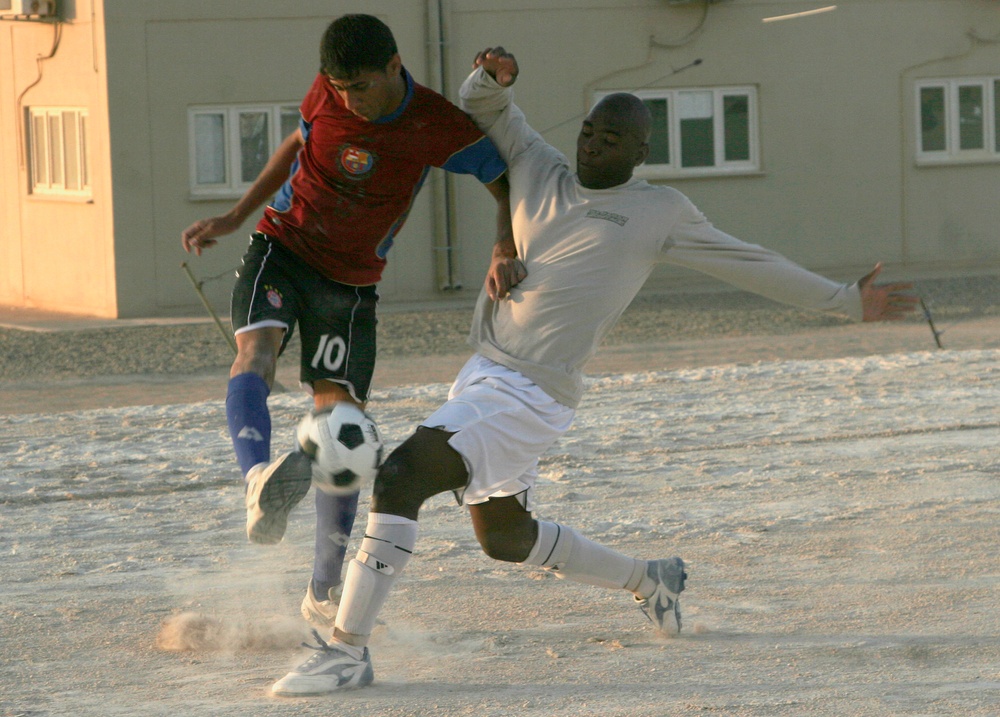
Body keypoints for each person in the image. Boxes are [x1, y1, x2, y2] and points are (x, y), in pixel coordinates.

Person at [268, 46, 918, 696]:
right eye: (588, 131)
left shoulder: (658, 210)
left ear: (639, 151)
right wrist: (494, 75)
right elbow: (486, 104)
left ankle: (346, 650)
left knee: (404, 473)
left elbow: (755, 263)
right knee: (506, 536)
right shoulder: (537, 164)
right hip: (481, 376)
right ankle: (649, 576)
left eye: (612, 139)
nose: (593, 145)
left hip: (530, 393)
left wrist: (845, 301)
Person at [180, 16, 522, 631]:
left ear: (395, 66)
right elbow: (300, 140)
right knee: (255, 355)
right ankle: (258, 481)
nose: (346, 99)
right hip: (281, 248)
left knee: (342, 431)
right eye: (337, 86)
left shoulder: (435, 124)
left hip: (353, 284)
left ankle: (322, 592)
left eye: (359, 86)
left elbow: (504, 181)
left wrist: (503, 247)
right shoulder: (327, 91)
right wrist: (235, 216)